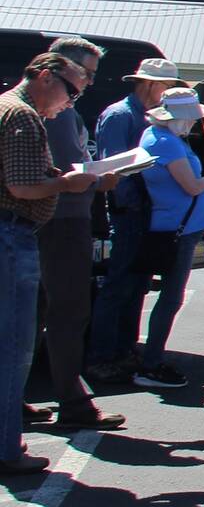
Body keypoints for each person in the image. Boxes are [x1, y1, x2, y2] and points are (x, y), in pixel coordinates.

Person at [2, 54, 100, 476]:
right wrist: (66, 182)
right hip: (10, 235)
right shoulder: (23, 116)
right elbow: (22, 187)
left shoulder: (8, 106)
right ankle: (6, 449)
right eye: (71, 90)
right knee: (14, 348)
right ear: (45, 76)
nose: (71, 101)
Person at [33, 38, 124, 430]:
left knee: (34, 314)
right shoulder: (56, 113)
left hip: (56, 218)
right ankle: (72, 402)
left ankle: (19, 400)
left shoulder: (53, 110)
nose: (87, 84)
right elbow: (64, 174)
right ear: (59, 69)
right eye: (85, 74)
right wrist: (97, 180)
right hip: (62, 220)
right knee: (68, 312)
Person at [106, 87, 204, 391]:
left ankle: (146, 358)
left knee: (161, 295)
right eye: (192, 118)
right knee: (170, 298)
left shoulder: (156, 137)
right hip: (176, 230)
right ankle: (151, 362)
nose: (195, 123)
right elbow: (192, 186)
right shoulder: (167, 143)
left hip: (172, 226)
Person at [87, 56, 184, 385]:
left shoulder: (146, 117)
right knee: (118, 286)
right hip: (129, 212)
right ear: (150, 84)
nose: (167, 93)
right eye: (166, 86)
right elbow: (112, 168)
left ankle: (124, 349)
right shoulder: (119, 116)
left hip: (146, 213)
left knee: (137, 286)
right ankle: (101, 357)